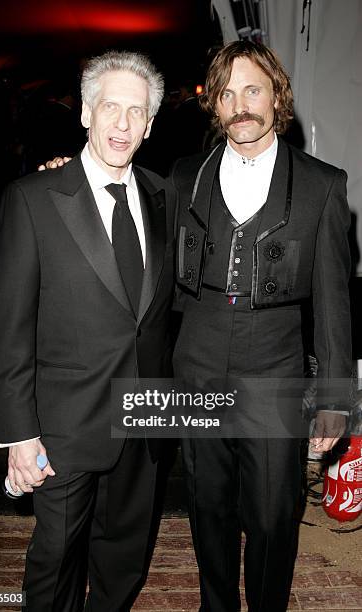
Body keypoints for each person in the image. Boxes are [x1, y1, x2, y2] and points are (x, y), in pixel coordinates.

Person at [0, 50, 176, 612]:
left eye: (135, 112)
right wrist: (20, 434)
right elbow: (8, 327)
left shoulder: (166, 197)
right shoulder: (33, 199)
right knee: (54, 566)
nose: (122, 123)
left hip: (144, 421)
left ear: (149, 124)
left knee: (124, 560)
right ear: (85, 114)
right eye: (110, 107)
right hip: (62, 429)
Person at [171, 40, 352, 611]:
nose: (240, 105)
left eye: (253, 90)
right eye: (226, 94)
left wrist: (334, 398)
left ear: (277, 96)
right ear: (214, 105)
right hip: (197, 363)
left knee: (275, 513)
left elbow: (334, 302)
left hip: (275, 362)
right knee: (208, 505)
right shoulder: (183, 177)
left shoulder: (323, 185)